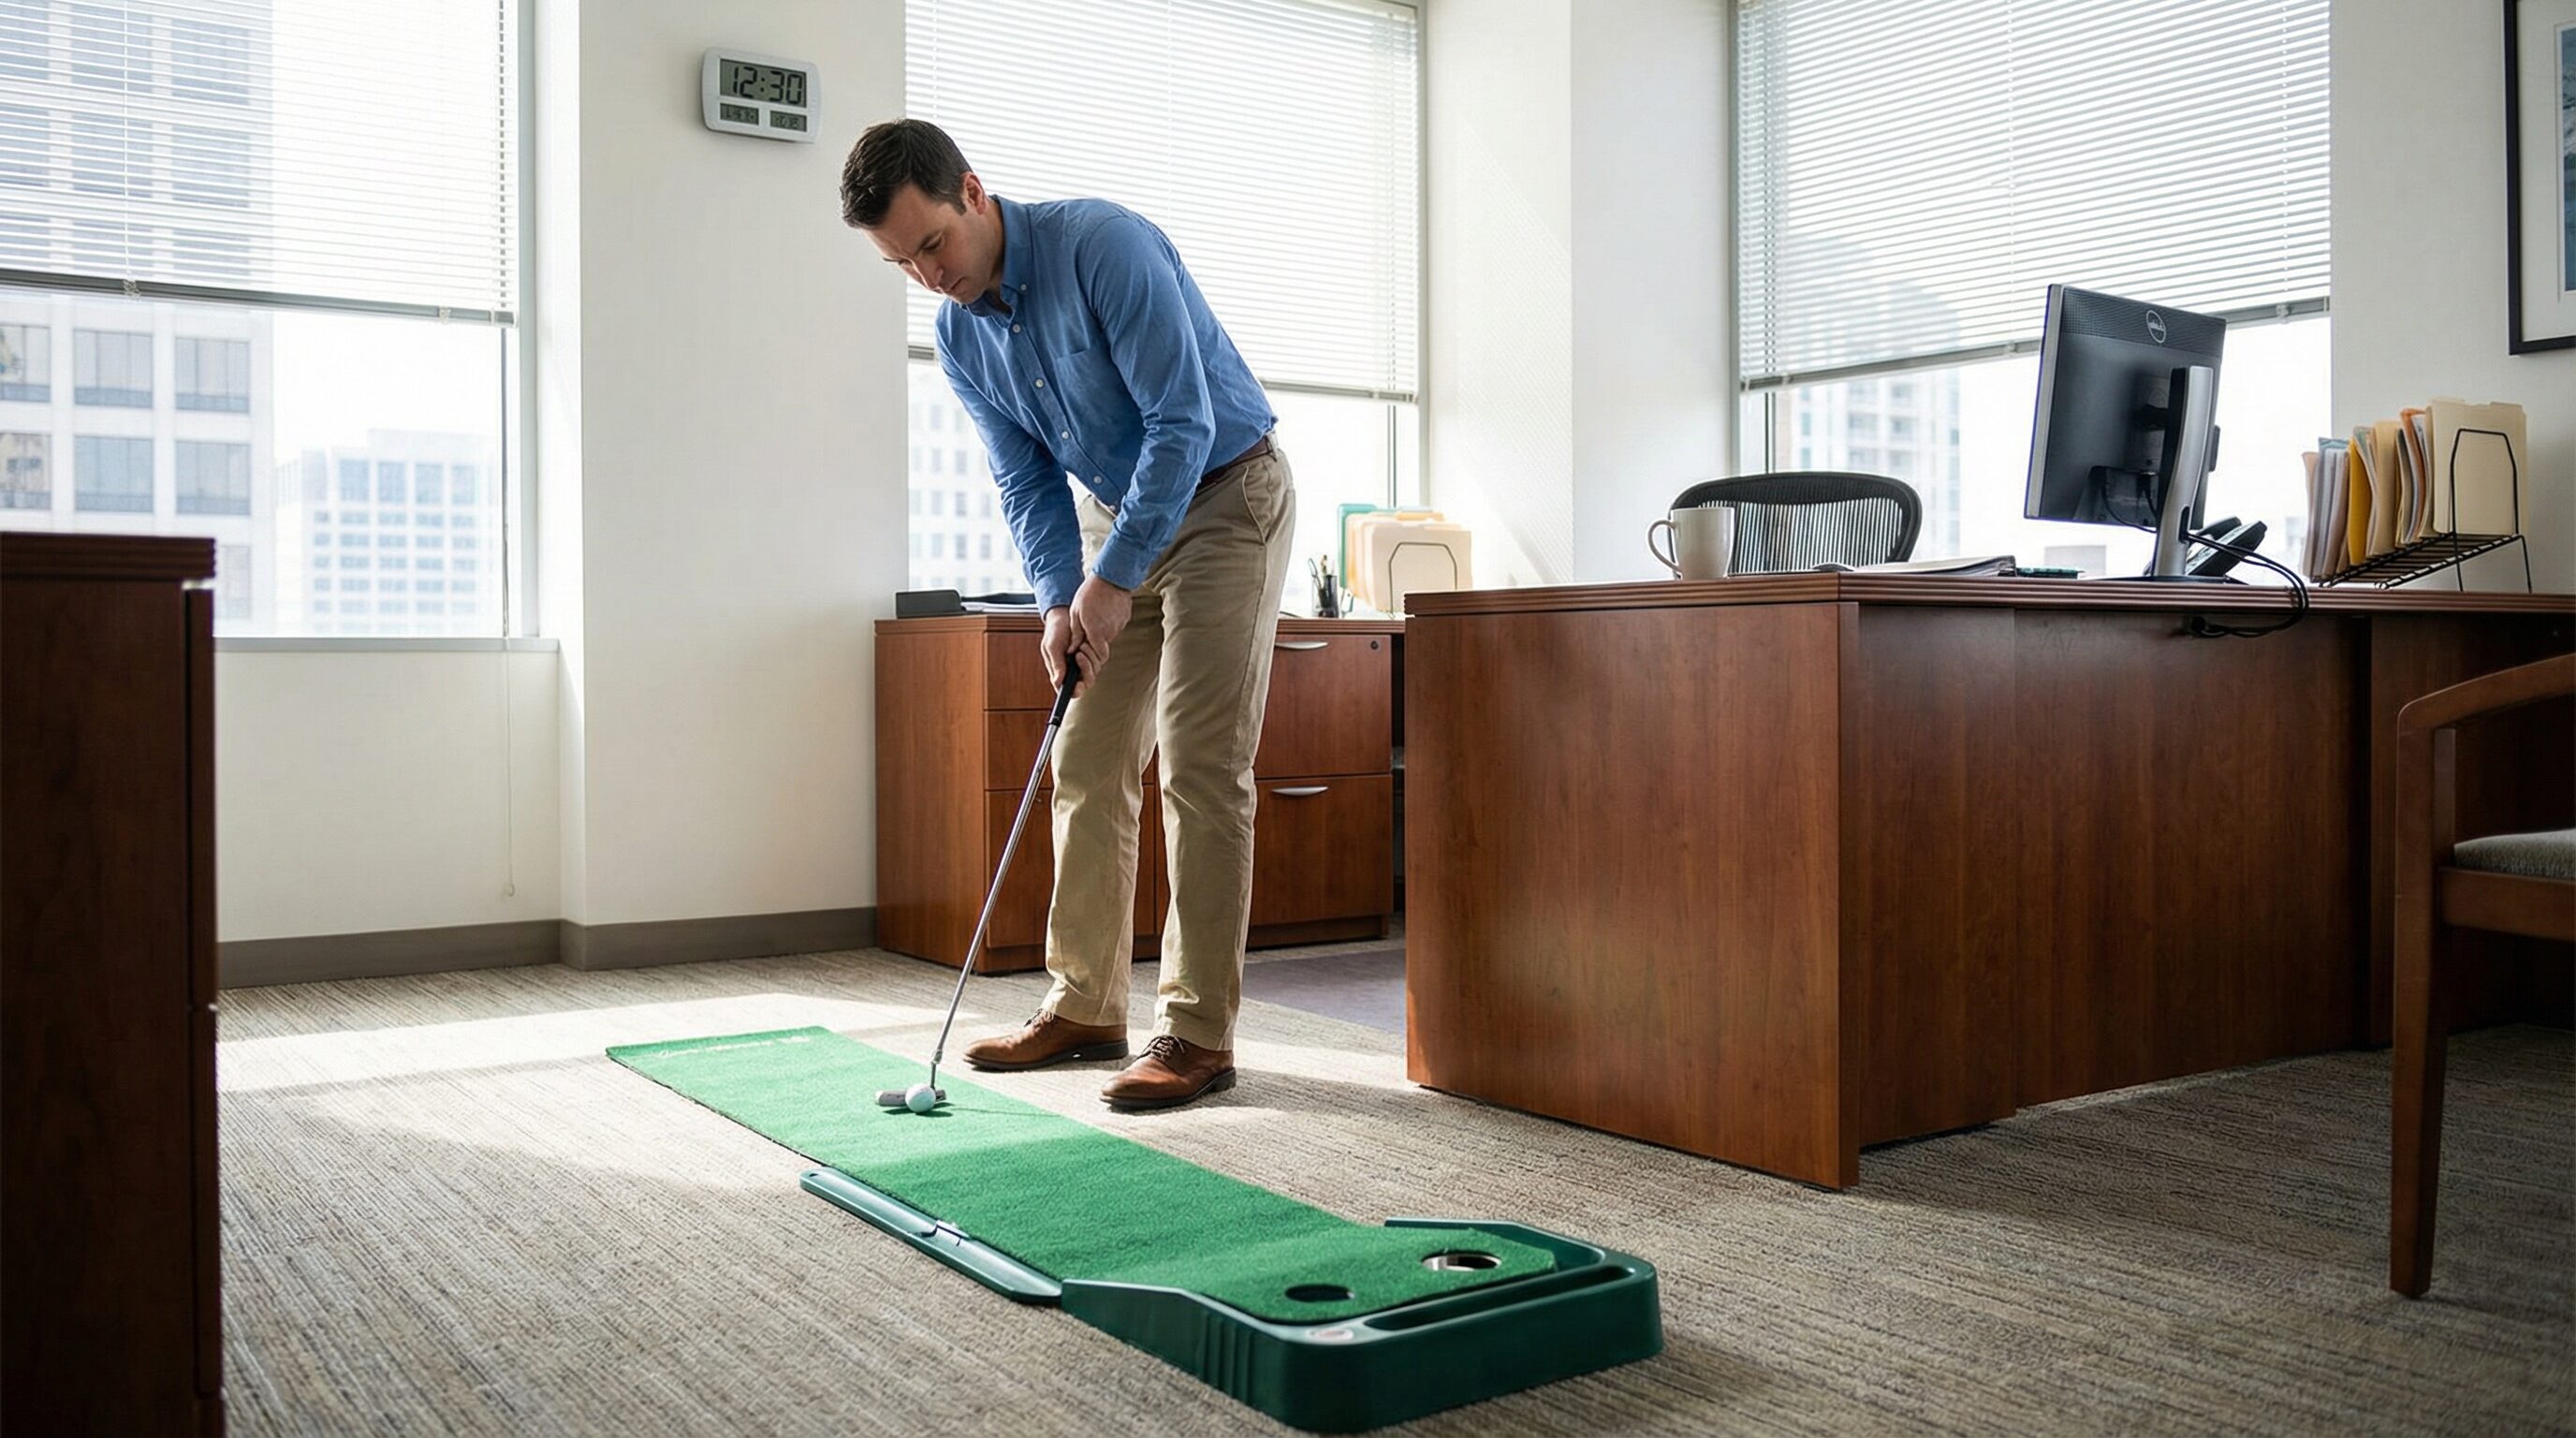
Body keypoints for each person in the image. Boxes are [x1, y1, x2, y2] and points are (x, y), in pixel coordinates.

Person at [842, 119, 1295, 1111]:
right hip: (1118, 518)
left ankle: (1197, 1033)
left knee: (1200, 762)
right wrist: (1060, 597)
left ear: (973, 190)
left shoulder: (1104, 245)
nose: (926, 275)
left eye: (931, 244)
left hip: (1225, 497)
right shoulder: (960, 332)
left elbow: (1183, 421)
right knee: (1085, 755)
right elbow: (1026, 481)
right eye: (899, 262)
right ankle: (1086, 1004)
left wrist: (1113, 577)